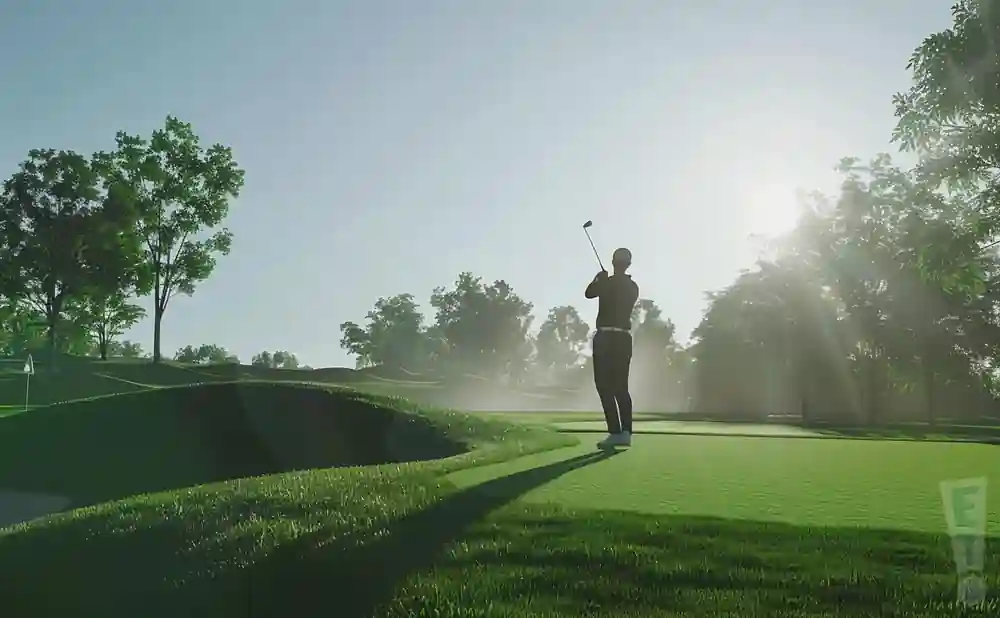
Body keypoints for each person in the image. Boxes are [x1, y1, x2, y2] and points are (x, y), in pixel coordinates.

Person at [585, 247, 639, 448]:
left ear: (614, 262)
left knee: (606, 385)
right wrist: (601, 281)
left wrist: (599, 279)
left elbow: (590, 293)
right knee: (618, 386)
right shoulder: (632, 286)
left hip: (607, 337)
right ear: (628, 264)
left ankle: (618, 431)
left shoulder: (613, 284)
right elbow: (590, 294)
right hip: (622, 339)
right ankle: (623, 433)